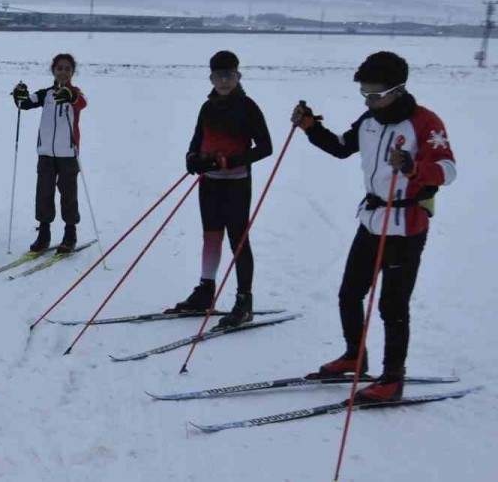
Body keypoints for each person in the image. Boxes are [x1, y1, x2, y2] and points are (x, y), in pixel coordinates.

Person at [293, 51, 456, 403]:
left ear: (398, 89)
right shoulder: (369, 119)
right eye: (364, 93)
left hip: (406, 226)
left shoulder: (425, 123)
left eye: (375, 93)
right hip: (371, 221)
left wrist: (414, 167)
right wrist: (310, 127)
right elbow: (340, 148)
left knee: (392, 306)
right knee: (350, 294)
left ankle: (393, 378)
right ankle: (355, 356)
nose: (369, 99)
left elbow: (448, 170)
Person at [171, 50, 273, 328]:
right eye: (218, 76)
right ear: (211, 78)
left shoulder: (247, 106)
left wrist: (232, 161)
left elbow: (265, 148)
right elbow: (197, 139)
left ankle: (244, 300)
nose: (224, 81)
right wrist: (192, 158)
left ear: (238, 76)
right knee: (211, 236)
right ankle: (206, 290)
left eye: (229, 75)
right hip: (210, 182)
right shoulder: (208, 107)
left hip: (237, 183)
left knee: (238, 240)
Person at [12, 53, 86, 252]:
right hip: (45, 154)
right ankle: (44, 234)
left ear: (72, 72)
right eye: (59, 68)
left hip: (68, 155)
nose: (63, 72)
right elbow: (26, 103)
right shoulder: (46, 94)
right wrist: (19, 94)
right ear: (53, 70)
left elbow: (81, 103)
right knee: (44, 193)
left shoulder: (76, 93)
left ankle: (70, 233)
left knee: (68, 194)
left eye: (67, 69)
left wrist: (70, 96)